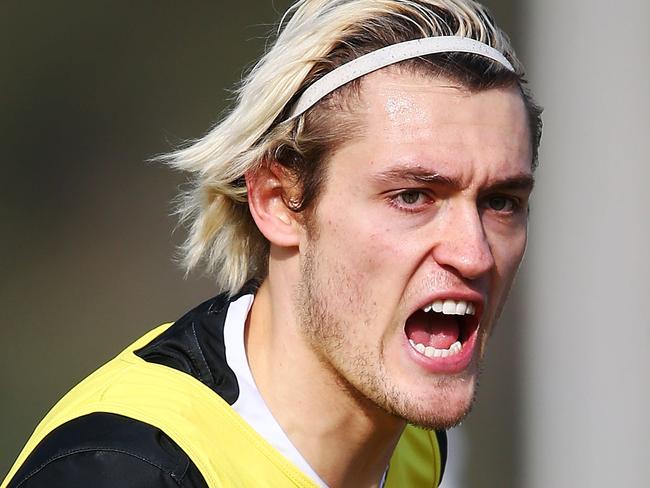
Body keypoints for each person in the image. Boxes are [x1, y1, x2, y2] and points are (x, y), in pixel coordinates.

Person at [2, 0, 542, 486]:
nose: (473, 253)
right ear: (278, 202)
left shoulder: (413, 443)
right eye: (411, 196)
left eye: (500, 202)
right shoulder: (127, 471)